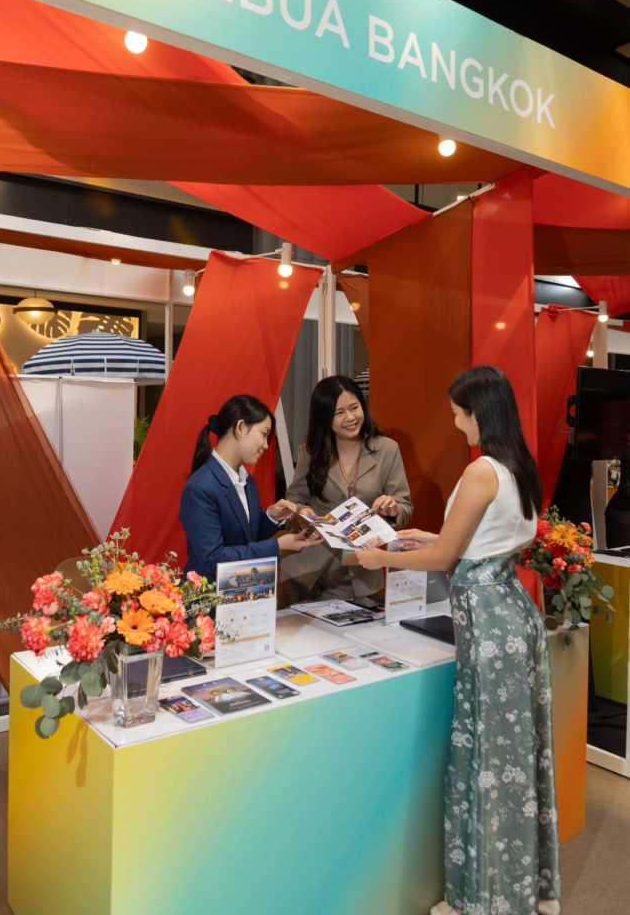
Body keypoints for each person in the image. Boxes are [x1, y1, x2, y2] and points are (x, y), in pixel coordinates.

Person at [358, 365, 561, 915]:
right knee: (515, 755)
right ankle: (521, 885)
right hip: (514, 617)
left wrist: (379, 557)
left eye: (457, 413)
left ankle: (489, 896)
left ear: (478, 413)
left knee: (489, 758)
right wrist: (426, 535)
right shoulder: (518, 467)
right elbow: (486, 540)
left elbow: (448, 557)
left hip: (490, 625)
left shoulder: (481, 471)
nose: (454, 423)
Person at [283, 375, 413, 601]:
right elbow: (294, 498)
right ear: (325, 417)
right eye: (339, 413)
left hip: (361, 569)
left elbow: (405, 507)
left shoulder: (387, 449)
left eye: (354, 408)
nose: (350, 418)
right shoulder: (313, 451)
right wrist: (302, 513)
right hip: (308, 569)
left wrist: (393, 509)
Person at [180, 395, 318, 580]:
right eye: (263, 434)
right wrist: (277, 546)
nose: (266, 445)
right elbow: (213, 559)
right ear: (240, 427)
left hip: (242, 590)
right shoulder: (200, 488)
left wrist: (271, 516)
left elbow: (248, 537)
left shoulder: (247, 480)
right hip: (209, 595)